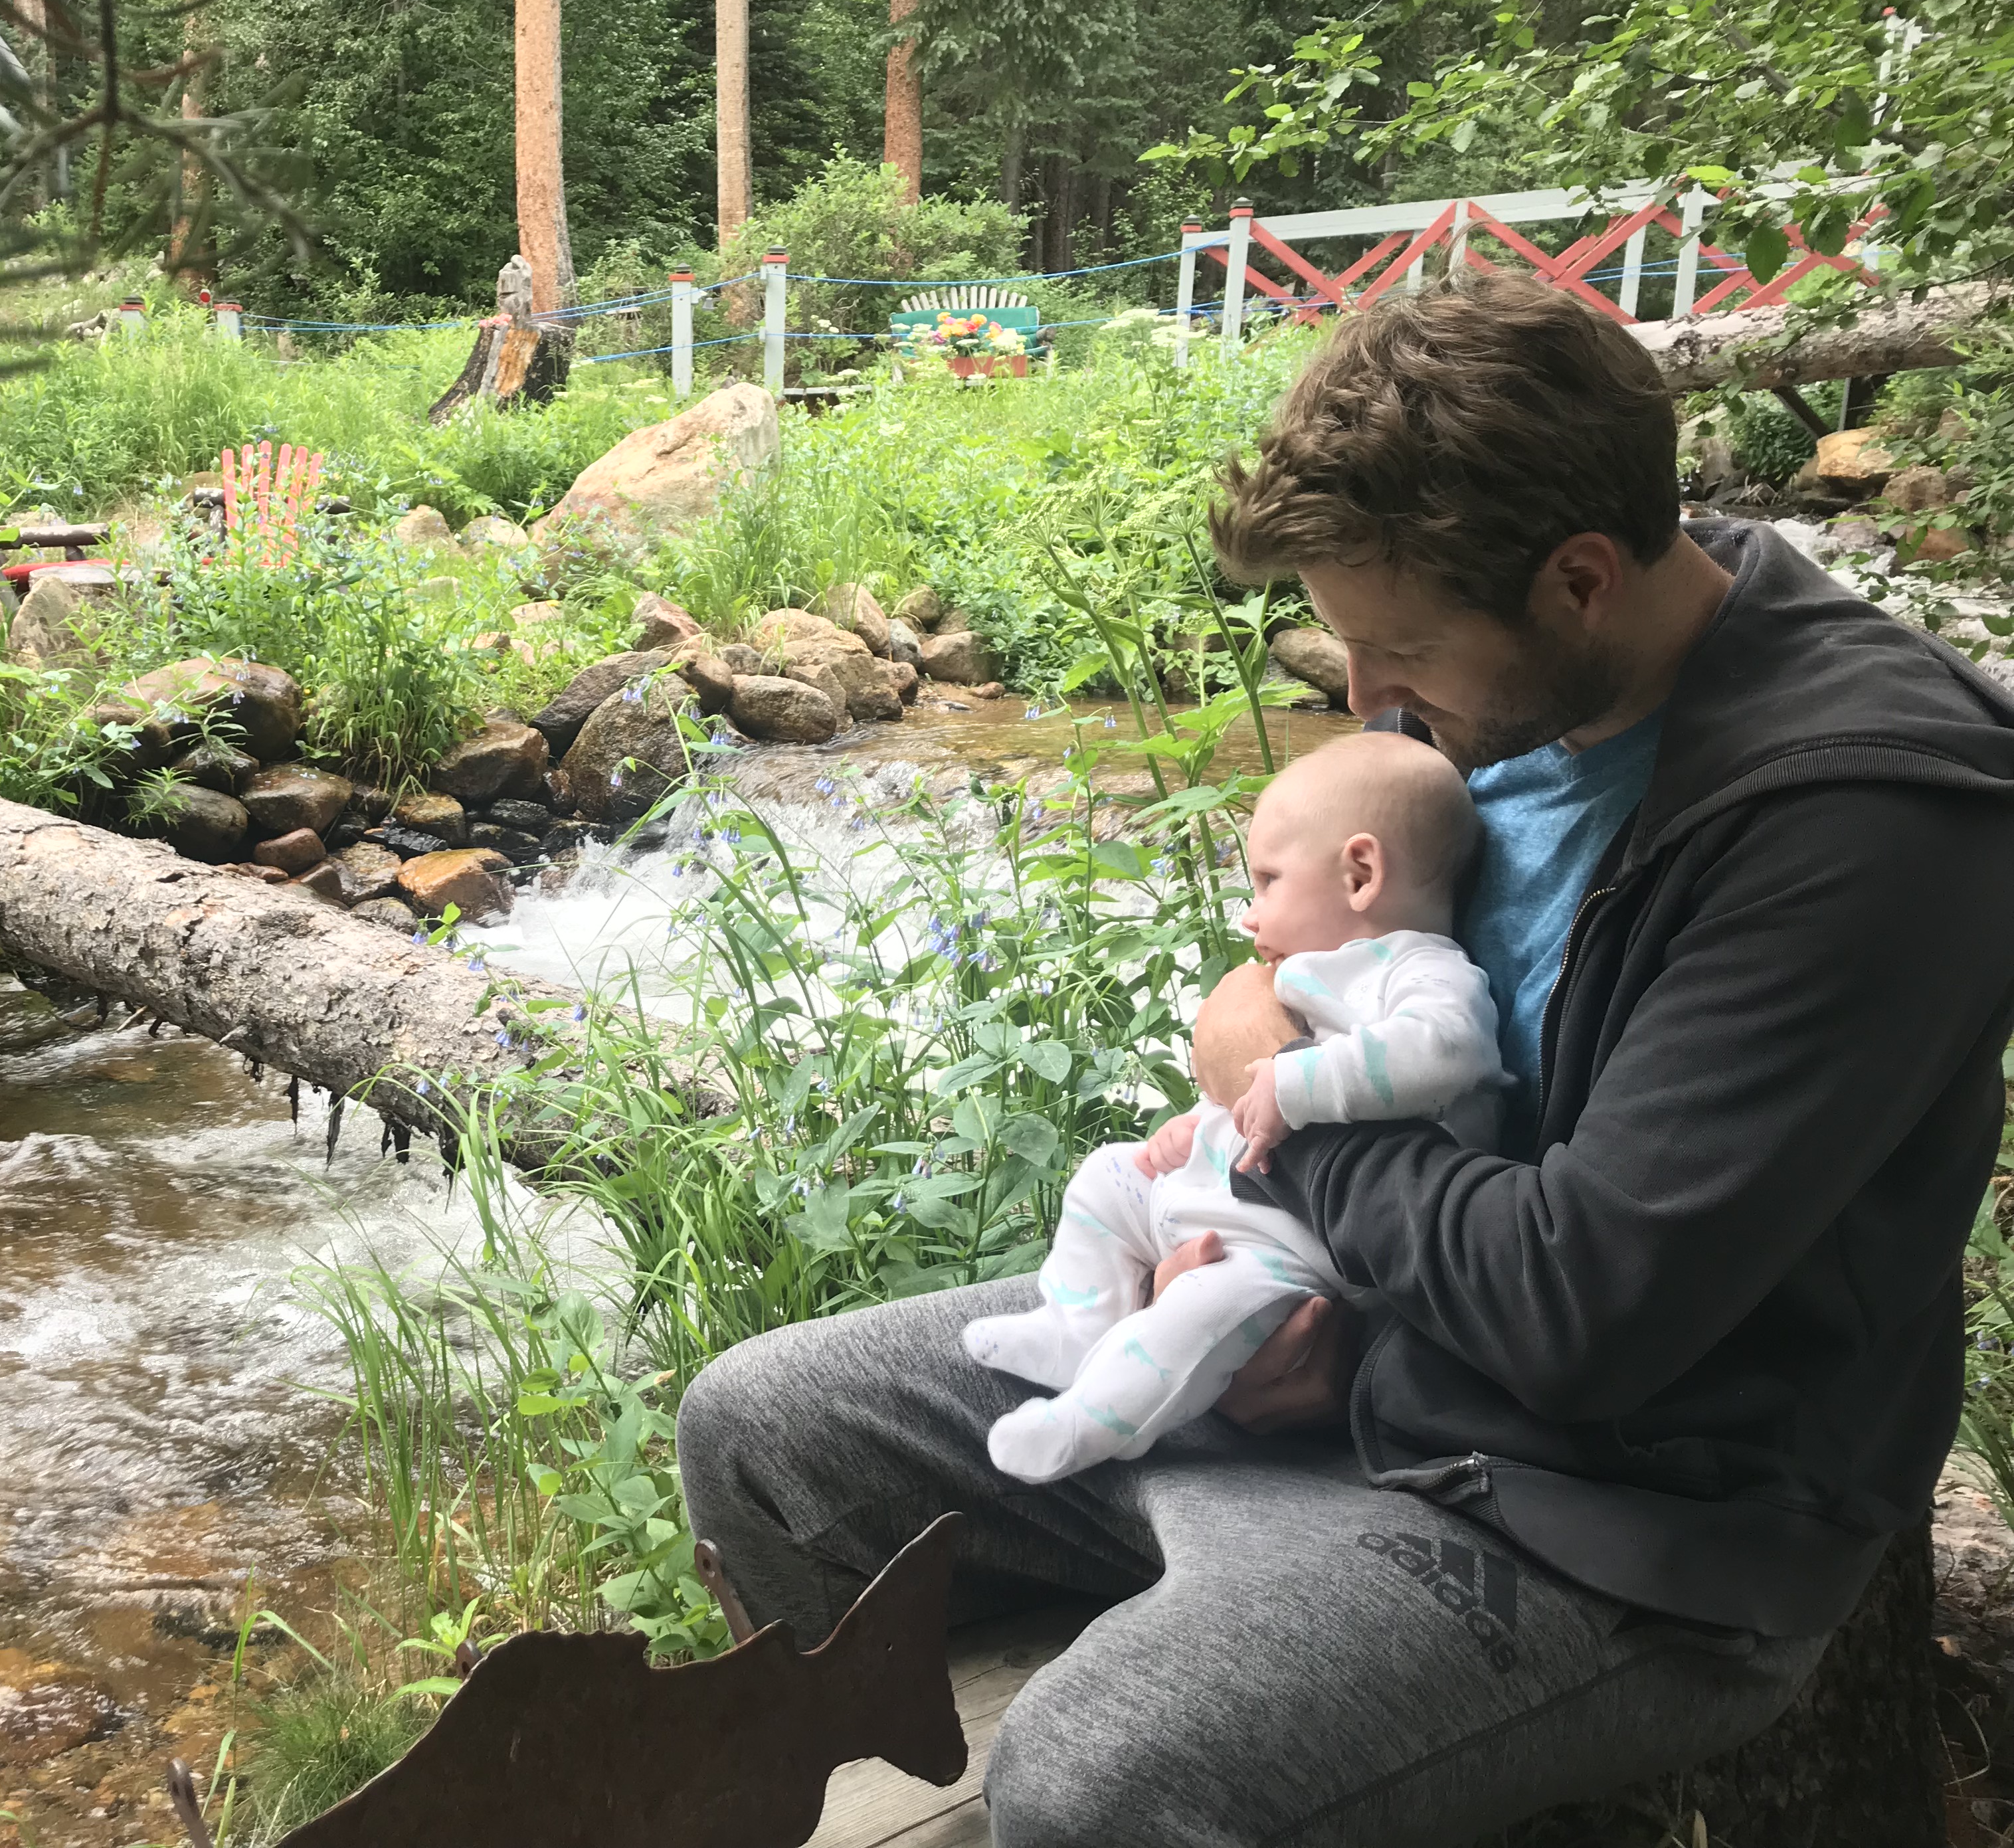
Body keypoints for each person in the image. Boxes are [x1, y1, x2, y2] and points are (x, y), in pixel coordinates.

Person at [675, 272, 2014, 1845]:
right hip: (1338, 1348)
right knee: (762, 1433)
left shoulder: (1863, 825)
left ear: (1582, 579)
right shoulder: (1533, 692)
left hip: (1619, 1512)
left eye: (1400, 656)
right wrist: (1294, 1267)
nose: (1369, 709)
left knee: (1104, 1780)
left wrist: (1289, 1123)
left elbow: (1588, 1309)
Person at [964, 733, 1507, 1485]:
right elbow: (1253, 1101)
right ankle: (1074, 1325)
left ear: (1360, 873)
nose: (1250, 917)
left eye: (1268, 882)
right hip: (1227, 1195)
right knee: (1106, 1176)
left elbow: (1446, 1052)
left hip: (1290, 1253)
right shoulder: (1310, 968)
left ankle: (1091, 1422)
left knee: (1192, 1317)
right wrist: (1200, 1125)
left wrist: (1294, 1080)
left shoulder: (1421, 971)